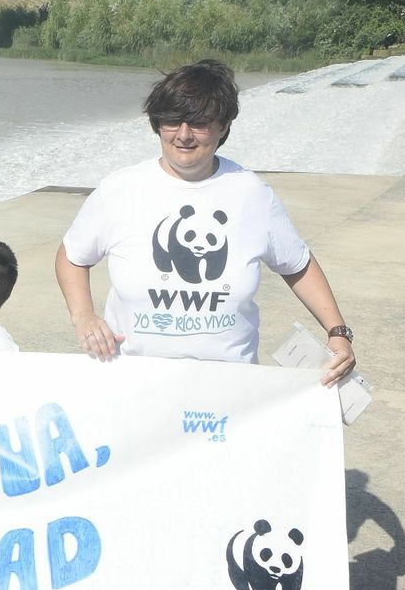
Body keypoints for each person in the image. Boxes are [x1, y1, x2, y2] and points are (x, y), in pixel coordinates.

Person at [56, 60, 355, 384]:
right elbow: (72, 256)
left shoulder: (251, 193)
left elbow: (296, 263)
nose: (184, 135)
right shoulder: (120, 189)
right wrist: (83, 317)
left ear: (223, 126)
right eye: (172, 121)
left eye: (199, 123)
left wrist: (337, 332)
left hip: (226, 388)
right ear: (157, 123)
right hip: (134, 384)